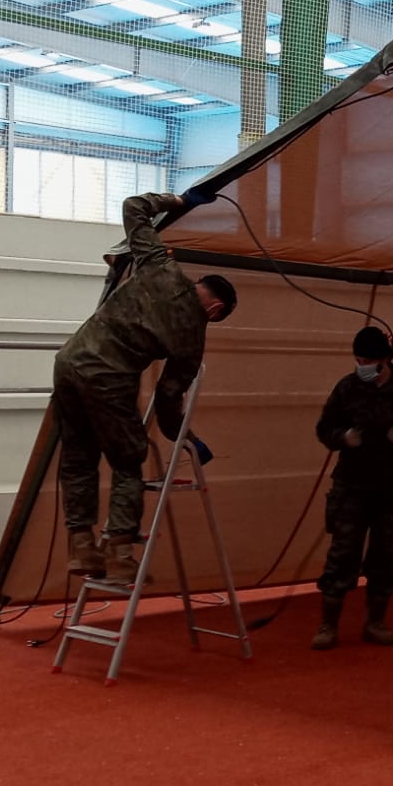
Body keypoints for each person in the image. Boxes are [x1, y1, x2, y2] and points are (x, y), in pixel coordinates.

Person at [53, 190, 235, 584]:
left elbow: (132, 207)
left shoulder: (160, 268)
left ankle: (80, 546)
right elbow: (168, 397)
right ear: (215, 310)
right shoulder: (192, 337)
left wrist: (182, 201)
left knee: (79, 456)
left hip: (69, 363)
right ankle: (120, 555)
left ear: (198, 283)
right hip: (109, 379)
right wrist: (184, 437)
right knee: (127, 460)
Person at [311, 326, 393, 651]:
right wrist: (343, 438)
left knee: (385, 558)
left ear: (386, 360)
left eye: (369, 360)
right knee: (342, 555)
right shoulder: (347, 388)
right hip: (352, 486)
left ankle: (376, 621)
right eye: (358, 359)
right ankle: (328, 624)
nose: (362, 365)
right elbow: (325, 427)